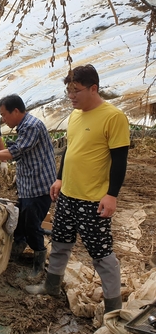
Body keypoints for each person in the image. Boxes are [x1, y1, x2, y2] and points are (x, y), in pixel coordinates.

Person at [25, 64, 130, 314]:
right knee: (60, 243)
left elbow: (120, 160)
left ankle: (113, 307)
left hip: (93, 200)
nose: (71, 96)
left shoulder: (113, 117)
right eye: (68, 91)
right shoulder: (74, 115)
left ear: (93, 88)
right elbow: (71, 151)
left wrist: (111, 194)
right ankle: (51, 285)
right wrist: (60, 179)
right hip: (68, 196)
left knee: (101, 254)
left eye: (76, 90)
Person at [0, 94, 56, 277]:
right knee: (21, 223)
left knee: (32, 225)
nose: (4, 119)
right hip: (28, 185)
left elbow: (14, 152)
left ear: (16, 111)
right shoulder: (23, 126)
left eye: (4, 115)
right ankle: (15, 252)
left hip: (38, 186)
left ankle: (39, 264)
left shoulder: (31, 126)